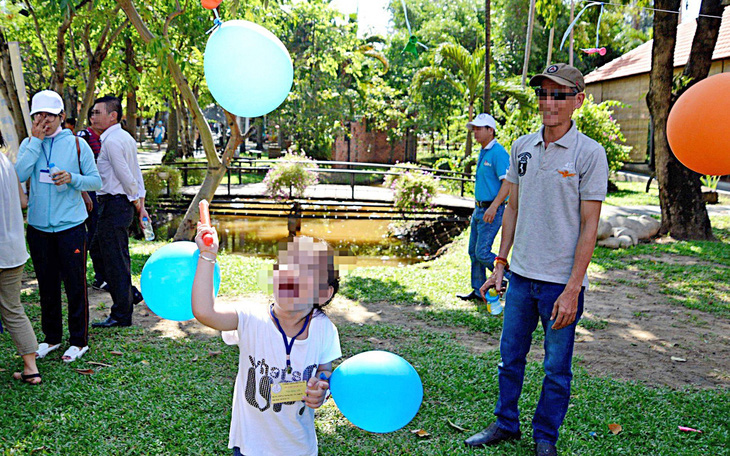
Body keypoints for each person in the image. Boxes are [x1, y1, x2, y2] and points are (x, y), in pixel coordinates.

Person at [464, 64, 609, 456]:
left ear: (578, 100)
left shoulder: (590, 154)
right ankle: (505, 423)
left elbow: (589, 226)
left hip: (561, 284)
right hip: (522, 278)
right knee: (510, 358)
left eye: (559, 94)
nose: (549, 102)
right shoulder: (522, 147)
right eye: (543, 93)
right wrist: (500, 264)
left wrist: (573, 289)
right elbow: (512, 207)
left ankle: (545, 438)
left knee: (556, 369)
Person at [192, 231, 341, 456]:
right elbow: (205, 312)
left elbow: (324, 371)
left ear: (323, 293)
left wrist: (321, 389)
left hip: (300, 447)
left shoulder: (324, 329)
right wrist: (207, 255)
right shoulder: (250, 317)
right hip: (250, 448)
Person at [14, 90, 102, 363]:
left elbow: (96, 182)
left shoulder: (77, 144)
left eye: (50, 116)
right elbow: (18, 175)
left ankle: (79, 341)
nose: (44, 121)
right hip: (39, 228)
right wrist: (34, 143)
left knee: (75, 285)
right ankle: (51, 338)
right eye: (38, 116)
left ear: (62, 117)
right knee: (47, 285)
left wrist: (73, 178)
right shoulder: (30, 144)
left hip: (71, 227)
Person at [90, 95, 149, 328]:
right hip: (117, 203)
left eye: (97, 112)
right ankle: (129, 296)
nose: (93, 116)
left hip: (115, 204)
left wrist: (137, 201)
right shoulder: (123, 137)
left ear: (112, 115)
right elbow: (136, 173)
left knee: (114, 260)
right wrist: (139, 201)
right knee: (107, 254)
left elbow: (127, 174)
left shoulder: (114, 141)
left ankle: (121, 314)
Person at [456, 113, 511, 304]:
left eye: (479, 129)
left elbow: (508, 183)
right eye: (474, 129)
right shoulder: (484, 151)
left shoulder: (499, 153)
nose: (475, 133)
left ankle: (510, 278)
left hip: (492, 210)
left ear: (491, 130)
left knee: (483, 252)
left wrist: (494, 207)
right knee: (473, 252)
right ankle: (478, 291)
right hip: (479, 209)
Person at [0, 149, 42, 384]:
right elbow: (23, 201)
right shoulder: (6, 163)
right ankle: (31, 369)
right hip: (14, 250)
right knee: (13, 310)